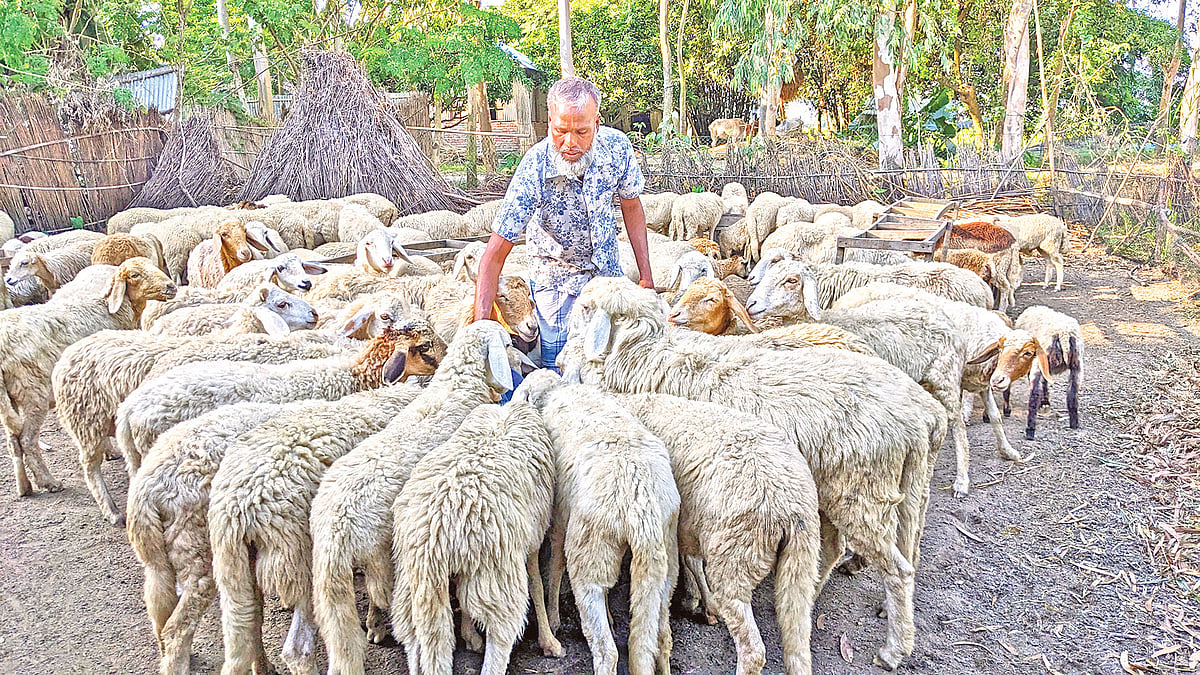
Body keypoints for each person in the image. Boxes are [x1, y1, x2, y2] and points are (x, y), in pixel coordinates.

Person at [472, 76, 654, 369]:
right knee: (559, 373)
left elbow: (632, 206)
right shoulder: (534, 167)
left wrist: (646, 278)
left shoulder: (617, 148)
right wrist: (481, 329)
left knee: (611, 368)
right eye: (560, 131)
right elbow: (494, 255)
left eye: (581, 131)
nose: (570, 143)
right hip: (556, 287)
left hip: (607, 281)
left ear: (597, 122)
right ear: (549, 121)